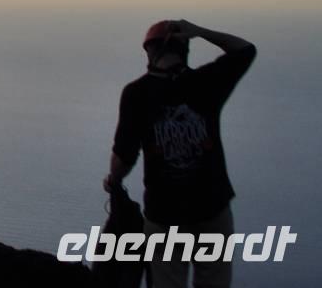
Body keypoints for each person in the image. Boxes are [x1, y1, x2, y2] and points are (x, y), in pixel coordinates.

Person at [104, 19, 256, 288]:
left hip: (165, 216)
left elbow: (123, 159)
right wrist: (201, 32)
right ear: (185, 51)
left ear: (149, 52)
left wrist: (113, 182)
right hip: (212, 209)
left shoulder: (136, 94)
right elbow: (245, 50)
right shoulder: (206, 82)